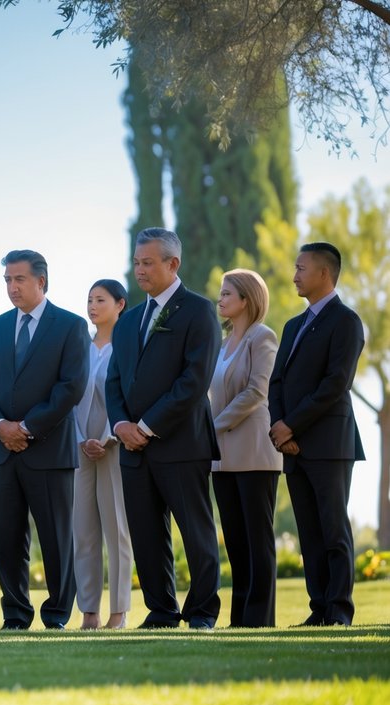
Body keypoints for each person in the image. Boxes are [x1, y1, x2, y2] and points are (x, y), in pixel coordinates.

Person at [105, 227, 222, 629]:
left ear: (173, 264)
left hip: (181, 442)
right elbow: (114, 380)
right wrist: (121, 424)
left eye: (148, 263)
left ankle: (203, 612)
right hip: (133, 450)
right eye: (137, 262)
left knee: (197, 533)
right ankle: (161, 610)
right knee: (146, 534)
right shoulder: (128, 320)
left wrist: (148, 425)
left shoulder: (199, 311)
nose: (139, 270)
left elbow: (194, 381)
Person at [0, 250, 88, 629]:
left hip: (49, 450)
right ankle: (16, 615)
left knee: (56, 540)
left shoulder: (70, 326)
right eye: (7, 279)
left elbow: (71, 388)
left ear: (41, 281)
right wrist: (0, 427)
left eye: (19, 279)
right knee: (5, 540)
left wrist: (27, 428)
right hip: (0, 452)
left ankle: (56, 614)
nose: (12, 287)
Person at [268, 242, 365, 626]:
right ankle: (318, 609)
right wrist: (279, 430)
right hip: (292, 445)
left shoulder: (347, 321)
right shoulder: (293, 325)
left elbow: (335, 384)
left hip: (329, 444)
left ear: (324, 273)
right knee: (309, 533)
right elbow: (276, 383)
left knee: (333, 529)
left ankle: (339, 610)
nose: (294, 275)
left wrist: (292, 425)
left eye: (300, 268)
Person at [210, 269, 282, 627]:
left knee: (257, 540)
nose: (220, 300)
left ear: (246, 299)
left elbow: (257, 392)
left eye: (227, 294)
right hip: (222, 456)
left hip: (254, 452)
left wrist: (212, 425)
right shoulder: (222, 345)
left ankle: (260, 618)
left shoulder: (262, 337)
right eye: (220, 294)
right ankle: (240, 619)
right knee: (236, 543)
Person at [72, 279, 133, 630]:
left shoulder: (127, 346)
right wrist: (82, 438)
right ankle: (89, 612)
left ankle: (119, 612)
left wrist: (108, 437)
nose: (93, 306)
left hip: (114, 445)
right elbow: (73, 398)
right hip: (81, 447)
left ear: (120, 304)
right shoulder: (81, 348)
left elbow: (127, 393)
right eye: (89, 300)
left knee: (117, 530)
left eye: (101, 300)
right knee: (84, 531)